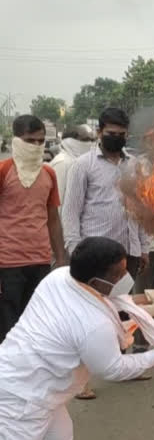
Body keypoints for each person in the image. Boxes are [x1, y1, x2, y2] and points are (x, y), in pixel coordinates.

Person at [0, 237, 154, 440]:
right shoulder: (93, 326)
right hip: (25, 400)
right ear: (96, 280)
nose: (125, 277)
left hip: (19, 375)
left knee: (58, 439)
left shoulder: (61, 277)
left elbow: (106, 302)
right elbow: (113, 368)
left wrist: (142, 305)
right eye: (118, 274)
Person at [61, 107, 150, 399]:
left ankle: (124, 366)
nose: (117, 138)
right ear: (99, 132)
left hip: (128, 253)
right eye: (112, 133)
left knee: (123, 313)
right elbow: (71, 212)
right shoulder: (82, 166)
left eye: (122, 134)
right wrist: (76, 251)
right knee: (87, 317)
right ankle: (79, 380)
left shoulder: (133, 165)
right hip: (95, 258)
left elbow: (139, 209)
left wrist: (143, 247)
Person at [0, 115, 68, 343]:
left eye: (41, 141)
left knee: (36, 326)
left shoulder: (48, 174)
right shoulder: (3, 171)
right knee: (8, 327)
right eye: (30, 141)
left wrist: (61, 259)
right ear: (16, 140)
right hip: (7, 264)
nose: (37, 146)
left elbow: (53, 220)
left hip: (39, 262)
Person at [50, 124, 95, 204]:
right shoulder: (62, 163)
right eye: (86, 139)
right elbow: (57, 200)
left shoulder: (85, 162)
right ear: (70, 141)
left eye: (92, 140)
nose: (90, 143)